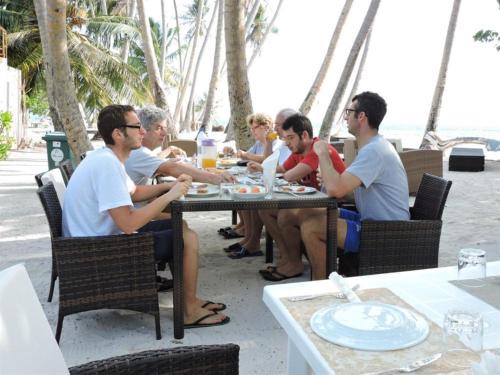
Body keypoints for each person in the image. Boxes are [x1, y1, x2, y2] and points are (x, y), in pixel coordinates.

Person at [62, 104, 229, 328]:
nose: (143, 131)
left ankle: (189, 300)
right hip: (97, 248)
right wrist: (169, 195)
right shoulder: (107, 165)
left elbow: (135, 192)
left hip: (96, 238)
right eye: (137, 127)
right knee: (187, 237)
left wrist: (169, 188)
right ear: (118, 134)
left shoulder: (108, 158)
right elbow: (129, 224)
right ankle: (188, 311)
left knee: (181, 226)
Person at [300, 91, 410, 279]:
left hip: (385, 232)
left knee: (312, 226)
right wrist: (331, 180)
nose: (346, 117)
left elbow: (336, 189)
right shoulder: (373, 147)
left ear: (361, 117)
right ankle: (325, 275)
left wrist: (323, 154)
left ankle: (321, 286)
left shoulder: (374, 151)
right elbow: (344, 190)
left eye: (348, 112)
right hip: (371, 221)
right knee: (310, 213)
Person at [255, 113, 346, 281]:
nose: (287, 143)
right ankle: (288, 259)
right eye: (285, 139)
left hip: (335, 204)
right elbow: (281, 169)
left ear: (304, 135)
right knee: (265, 209)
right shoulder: (299, 150)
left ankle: (294, 264)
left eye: (290, 138)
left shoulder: (317, 148)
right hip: (314, 201)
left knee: (286, 214)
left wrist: (273, 172)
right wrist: (262, 166)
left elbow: (289, 176)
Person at [125, 106, 234, 188]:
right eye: (159, 128)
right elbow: (172, 169)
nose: (164, 133)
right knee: (180, 217)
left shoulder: (139, 152)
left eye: (165, 128)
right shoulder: (139, 152)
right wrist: (215, 178)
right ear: (143, 129)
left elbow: (170, 166)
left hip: (140, 207)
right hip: (135, 213)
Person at [226, 113, 278, 258]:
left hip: (273, 184)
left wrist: (246, 156)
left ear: (266, 127)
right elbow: (247, 156)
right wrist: (239, 154)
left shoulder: (277, 143)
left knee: (252, 199)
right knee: (242, 192)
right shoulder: (258, 144)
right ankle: (248, 236)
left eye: (255, 127)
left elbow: (271, 162)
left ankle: (252, 241)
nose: (252, 131)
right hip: (262, 181)